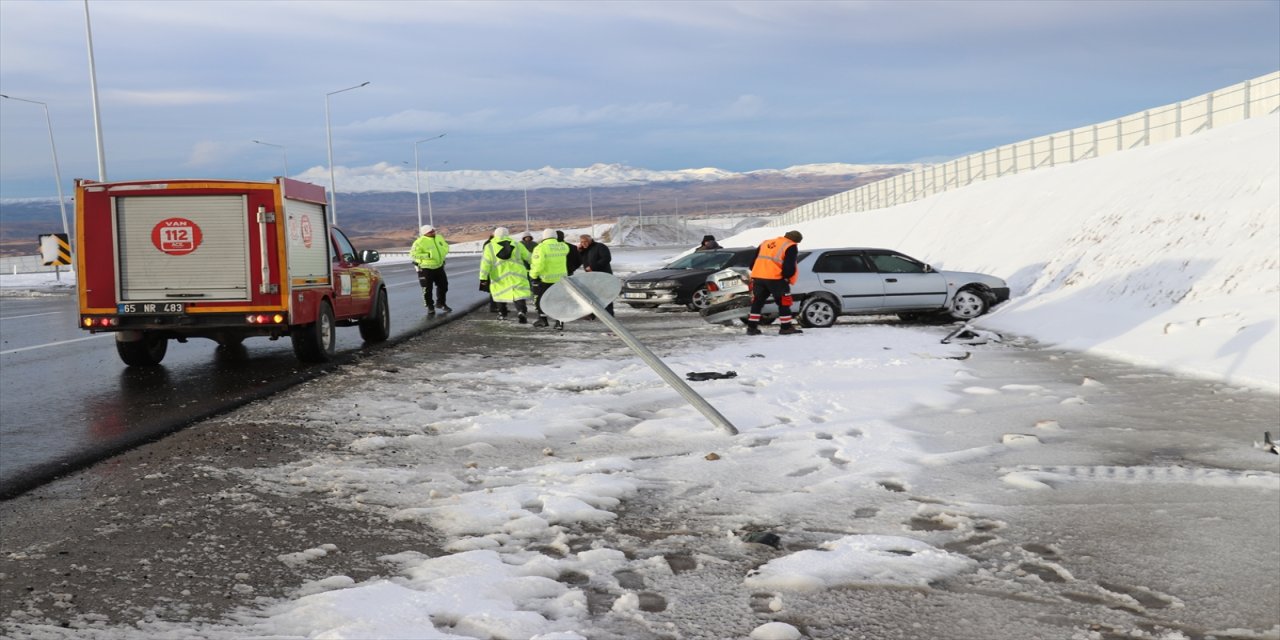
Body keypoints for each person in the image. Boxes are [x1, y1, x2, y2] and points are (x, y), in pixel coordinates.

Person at [747, 230, 804, 336]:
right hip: (776, 278)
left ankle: (751, 328)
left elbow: (753, 262)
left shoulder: (765, 243)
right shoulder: (790, 246)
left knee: (757, 302)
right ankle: (786, 327)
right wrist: (786, 277)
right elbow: (789, 264)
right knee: (784, 302)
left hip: (758, 276)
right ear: (795, 241)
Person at [479, 226, 533, 323]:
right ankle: (521, 311)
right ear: (507, 234)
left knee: (500, 294)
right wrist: (535, 267)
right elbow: (529, 257)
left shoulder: (489, 246)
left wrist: (483, 278)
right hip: (517, 274)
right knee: (519, 294)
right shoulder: (517, 244)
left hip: (499, 275)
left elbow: (485, 263)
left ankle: (502, 314)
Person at [529, 228, 571, 329]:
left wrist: (533, 275)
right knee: (558, 300)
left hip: (545, 280)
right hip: (561, 279)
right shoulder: (563, 246)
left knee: (540, 300)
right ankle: (559, 322)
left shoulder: (540, 248)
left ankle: (543, 320)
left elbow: (538, 264)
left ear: (544, 236)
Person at [408, 225, 450, 315]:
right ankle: (430, 306)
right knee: (427, 288)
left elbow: (445, 246)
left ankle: (441, 303)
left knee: (444, 285)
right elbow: (413, 254)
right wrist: (428, 255)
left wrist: (444, 252)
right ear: (425, 233)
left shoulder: (439, 238)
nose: (433, 232)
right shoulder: (419, 242)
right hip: (425, 268)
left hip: (439, 266)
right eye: (431, 232)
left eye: (433, 230)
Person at [578, 234, 614, 316]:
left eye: (585, 241)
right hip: (591, 277)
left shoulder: (600, 246)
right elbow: (582, 260)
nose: (584, 243)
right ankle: (593, 314)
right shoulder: (584, 250)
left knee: (605, 294)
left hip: (603, 276)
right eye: (582, 242)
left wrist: (593, 267)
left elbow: (606, 258)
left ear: (590, 240)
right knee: (592, 295)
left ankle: (609, 314)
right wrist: (580, 251)